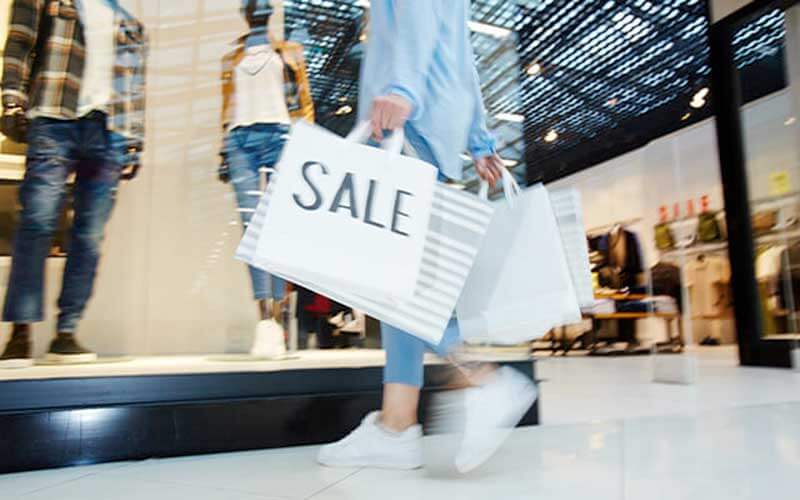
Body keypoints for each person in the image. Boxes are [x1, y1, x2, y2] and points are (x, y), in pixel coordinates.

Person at [317, 0, 538, 473]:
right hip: (432, 124)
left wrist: (400, 88)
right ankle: (396, 425)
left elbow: (416, 21)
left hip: (408, 123)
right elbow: (461, 53)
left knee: (391, 278)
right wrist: (479, 140)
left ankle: (481, 379)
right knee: (397, 279)